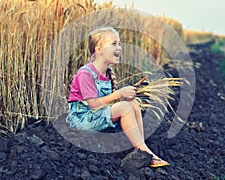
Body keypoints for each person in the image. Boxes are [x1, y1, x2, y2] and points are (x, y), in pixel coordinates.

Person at [66, 27, 169, 167]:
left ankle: (141, 146)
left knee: (133, 104)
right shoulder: (86, 74)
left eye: (119, 44)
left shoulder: (108, 74)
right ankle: (143, 150)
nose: (119, 48)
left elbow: (106, 103)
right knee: (126, 107)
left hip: (97, 116)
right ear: (98, 49)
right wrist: (119, 94)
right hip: (82, 120)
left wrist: (124, 97)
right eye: (114, 44)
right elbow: (94, 105)